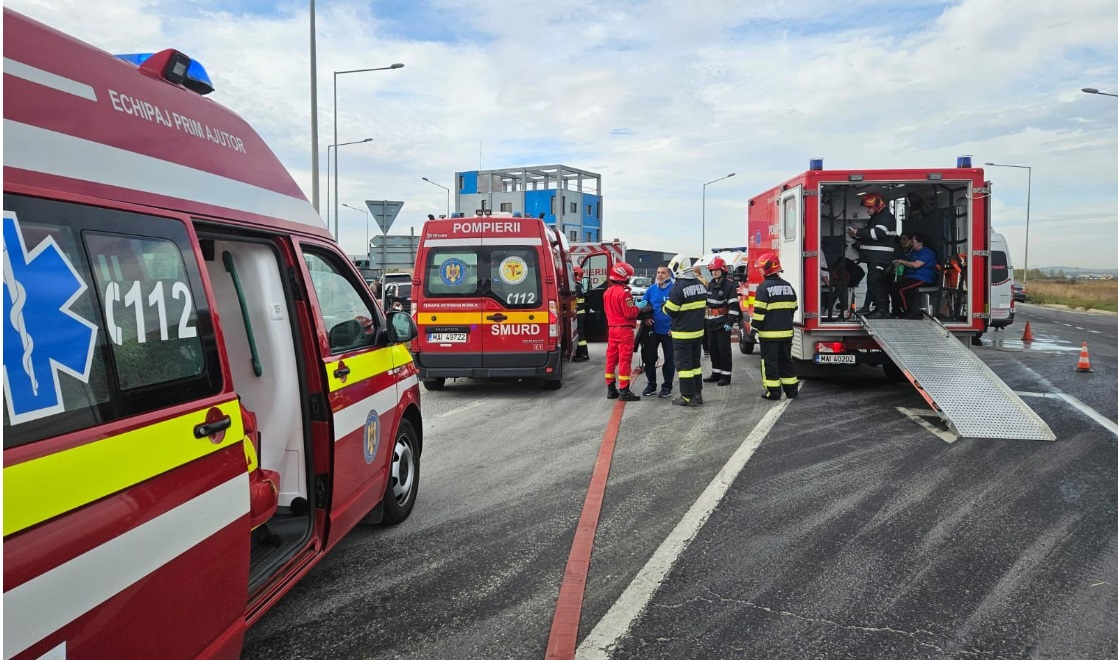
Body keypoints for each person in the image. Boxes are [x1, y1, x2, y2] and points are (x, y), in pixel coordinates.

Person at [753, 252, 799, 400]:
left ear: (768, 267)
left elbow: (759, 313)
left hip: (769, 335)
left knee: (769, 364)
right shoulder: (788, 286)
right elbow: (794, 307)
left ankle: (773, 392)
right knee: (786, 362)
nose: (759, 270)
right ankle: (792, 391)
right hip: (786, 333)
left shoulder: (763, 288)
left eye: (761, 267)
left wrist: (754, 329)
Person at [663, 261, 708, 407]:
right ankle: (697, 394)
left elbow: (670, 310)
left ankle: (687, 397)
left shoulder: (678, 287)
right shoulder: (699, 284)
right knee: (695, 365)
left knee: (684, 367)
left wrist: (663, 307)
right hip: (698, 333)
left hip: (682, 334)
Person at [847, 192, 897, 319]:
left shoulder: (886, 217)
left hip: (880, 258)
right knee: (874, 282)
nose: (867, 210)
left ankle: (882, 310)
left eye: (869, 208)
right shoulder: (877, 217)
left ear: (877, 206)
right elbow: (869, 234)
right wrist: (856, 234)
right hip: (875, 257)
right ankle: (879, 308)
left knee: (876, 282)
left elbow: (876, 234)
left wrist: (859, 232)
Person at [603, 261, 643, 401]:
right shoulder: (625, 293)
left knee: (611, 360)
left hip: (612, 330)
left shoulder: (607, 292)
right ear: (624, 276)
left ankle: (611, 389)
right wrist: (640, 308)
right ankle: (624, 391)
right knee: (625, 360)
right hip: (624, 330)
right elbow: (630, 313)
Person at [702, 256, 741, 386]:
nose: (714, 272)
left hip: (723, 323)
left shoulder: (729, 285)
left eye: (717, 270)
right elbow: (707, 304)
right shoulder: (711, 284)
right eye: (712, 270)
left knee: (724, 351)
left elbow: (734, 306)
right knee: (713, 350)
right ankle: (716, 373)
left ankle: (726, 376)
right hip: (711, 323)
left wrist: (730, 322)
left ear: (722, 270)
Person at [640, 265, 676, 398]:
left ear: (669, 275)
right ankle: (651, 385)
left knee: (669, 360)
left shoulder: (674, 290)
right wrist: (646, 318)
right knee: (649, 358)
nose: (660, 275)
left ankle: (667, 386)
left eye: (663, 273)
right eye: (658, 272)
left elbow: (681, 310)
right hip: (653, 331)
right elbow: (643, 306)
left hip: (669, 332)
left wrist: (675, 327)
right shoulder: (651, 290)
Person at [890, 232, 937, 318]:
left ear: (920, 243)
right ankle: (896, 311)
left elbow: (916, 265)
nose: (911, 243)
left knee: (899, 289)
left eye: (913, 242)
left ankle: (907, 311)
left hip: (923, 278)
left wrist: (901, 261)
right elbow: (905, 260)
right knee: (894, 287)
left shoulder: (926, 252)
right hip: (912, 277)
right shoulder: (913, 252)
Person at [572, 265, 590, 362]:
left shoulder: (575, 287)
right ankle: (580, 353)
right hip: (580, 313)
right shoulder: (580, 286)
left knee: (580, 334)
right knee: (580, 334)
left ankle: (584, 354)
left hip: (578, 314)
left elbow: (575, 301)